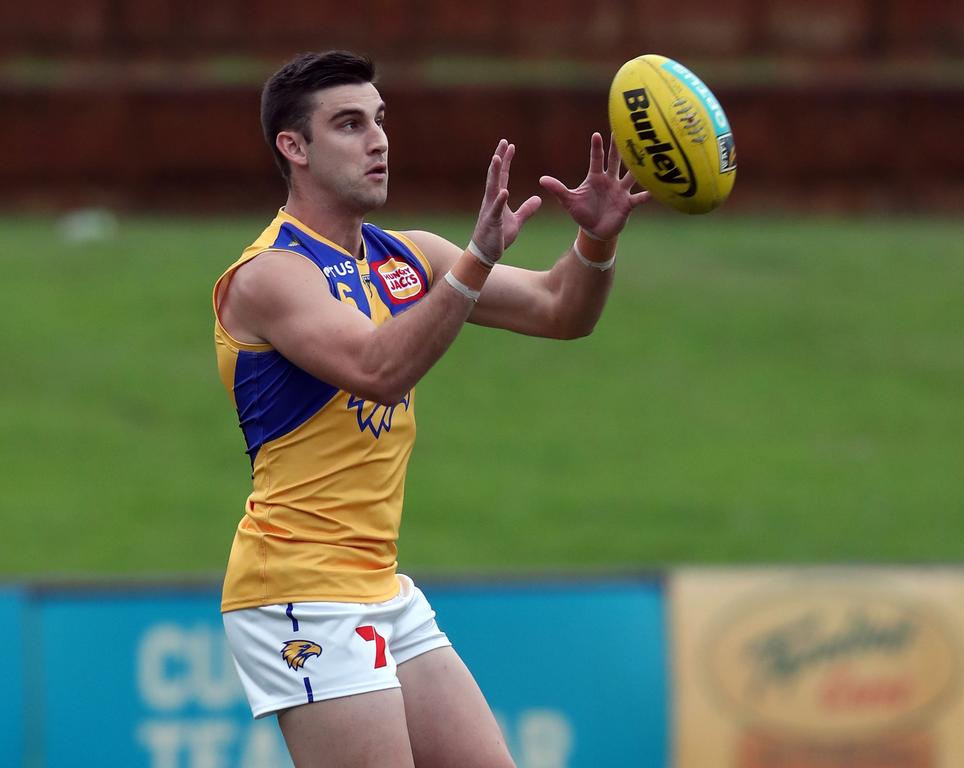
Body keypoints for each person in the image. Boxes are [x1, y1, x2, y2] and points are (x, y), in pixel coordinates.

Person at [213, 50, 649, 768]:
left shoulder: (406, 256)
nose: (378, 139)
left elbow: (559, 309)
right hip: (298, 587)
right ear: (294, 148)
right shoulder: (268, 276)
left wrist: (596, 239)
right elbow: (378, 369)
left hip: (378, 584)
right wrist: (473, 261)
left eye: (380, 121)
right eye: (349, 124)